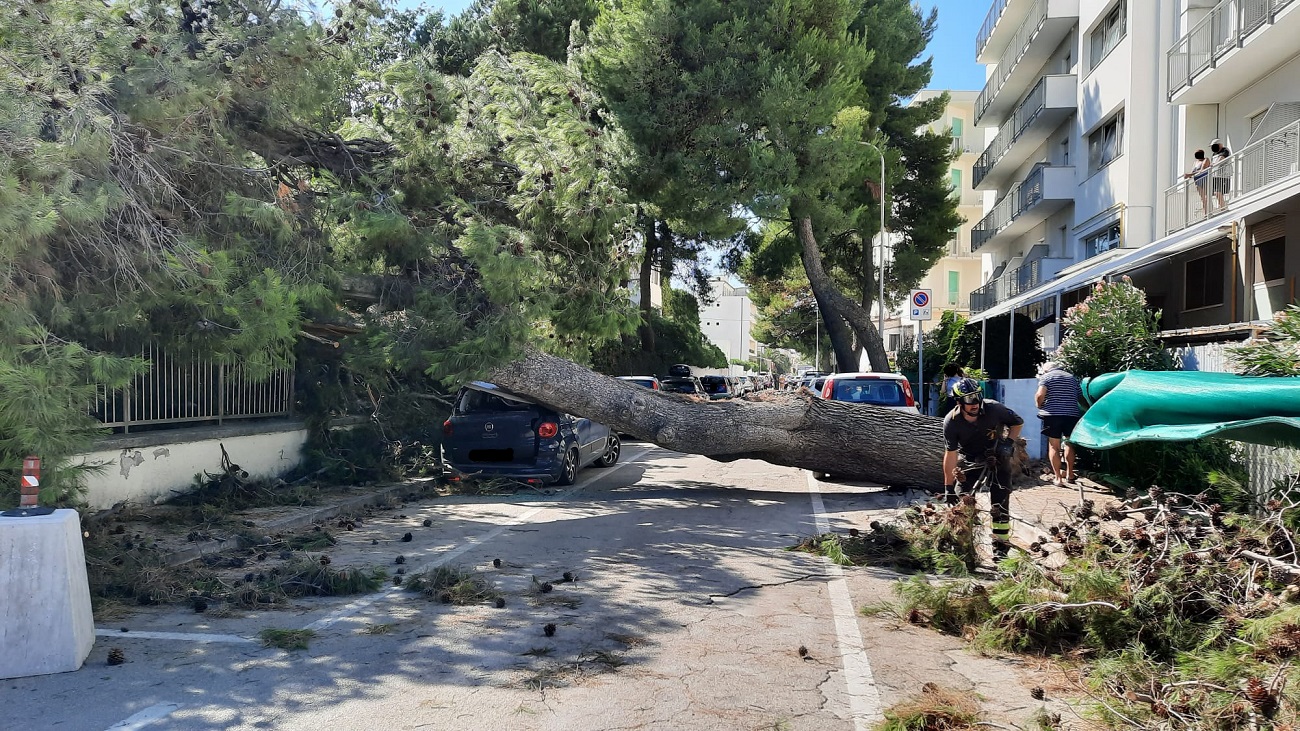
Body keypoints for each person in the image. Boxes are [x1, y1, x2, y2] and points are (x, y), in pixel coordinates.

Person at [942, 377, 1025, 560]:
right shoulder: (952, 422)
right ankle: (963, 546)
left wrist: (1008, 442)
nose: (975, 403)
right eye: (969, 399)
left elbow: (1018, 422)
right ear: (959, 402)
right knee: (962, 499)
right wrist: (948, 487)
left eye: (977, 397)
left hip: (996, 457)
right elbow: (951, 455)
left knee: (1000, 499)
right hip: (970, 460)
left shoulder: (995, 409)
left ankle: (1001, 548)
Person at [1036, 361, 1082, 487]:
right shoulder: (1072, 378)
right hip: (1072, 415)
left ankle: (1058, 478)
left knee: (1054, 446)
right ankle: (1070, 474)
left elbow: (1040, 395)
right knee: (1069, 443)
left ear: (1046, 370)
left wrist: (1039, 405)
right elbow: (1080, 397)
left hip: (1052, 415)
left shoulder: (1047, 377)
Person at [1183, 149, 1210, 214]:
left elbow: (1202, 170)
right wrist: (1189, 175)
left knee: (1206, 196)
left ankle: (1207, 212)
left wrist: (1190, 174)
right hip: (1197, 180)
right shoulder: (1196, 162)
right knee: (1202, 197)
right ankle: (1205, 212)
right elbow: (1193, 171)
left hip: (1205, 179)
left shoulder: (1206, 159)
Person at [1210, 139, 1231, 209]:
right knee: (1215, 192)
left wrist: (1214, 164)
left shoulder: (1225, 150)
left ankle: (1222, 207)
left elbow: (1221, 159)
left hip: (1223, 175)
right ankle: (1221, 206)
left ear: (1220, 145)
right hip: (1215, 175)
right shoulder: (1214, 154)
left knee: (1218, 191)